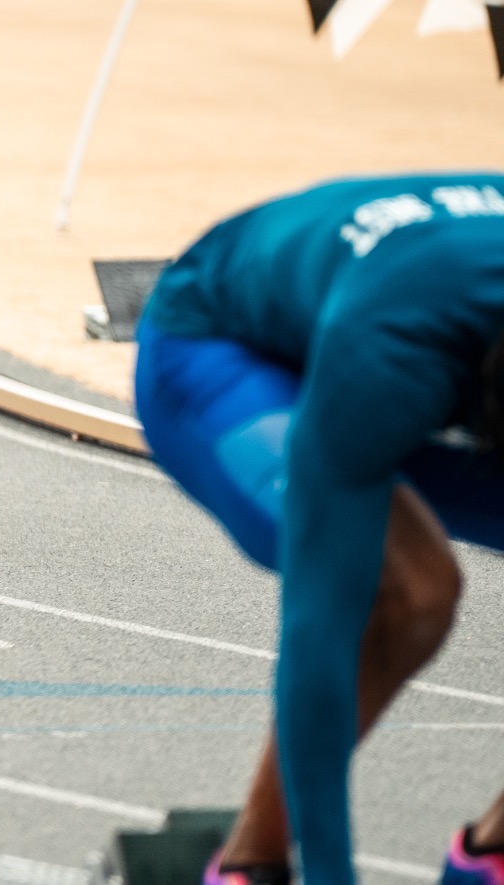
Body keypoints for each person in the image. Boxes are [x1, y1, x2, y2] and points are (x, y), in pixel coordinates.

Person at [135, 174, 504, 885]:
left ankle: (489, 855)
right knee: (407, 591)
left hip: (392, 328)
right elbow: (321, 626)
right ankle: (252, 861)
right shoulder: (395, 348)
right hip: (220, 352)